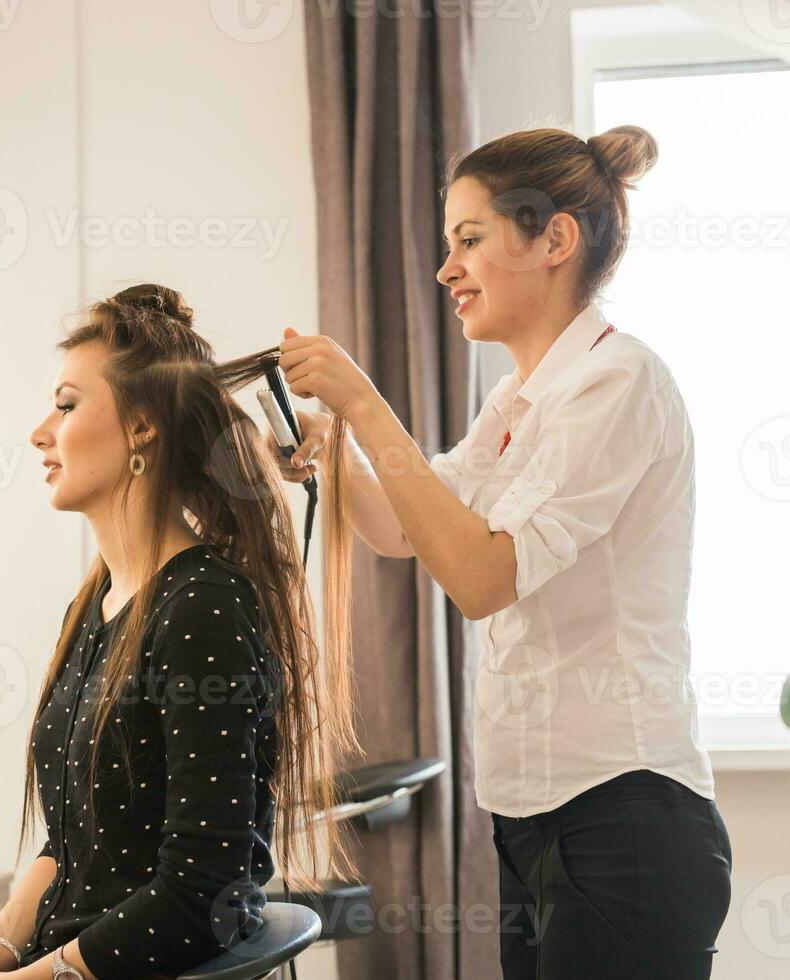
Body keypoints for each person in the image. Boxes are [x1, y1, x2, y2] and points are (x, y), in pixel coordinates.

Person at [273, 125, 732, 978]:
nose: (446, 269)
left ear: (554, 239)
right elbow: (404, 527)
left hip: (626, 817)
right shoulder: (518, 396)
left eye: (469, 240)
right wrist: (332, 448)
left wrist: (365, 404)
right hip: (528, 819)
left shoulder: (618, 380)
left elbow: (484, 577)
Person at [0, 283, 356, 980]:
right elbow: (72, 843)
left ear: (143, 427)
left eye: (65, 406)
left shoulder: (202, 609)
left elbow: (198, 896)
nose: (41, 432)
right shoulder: (94, 605)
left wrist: (34, 978)